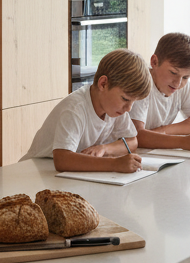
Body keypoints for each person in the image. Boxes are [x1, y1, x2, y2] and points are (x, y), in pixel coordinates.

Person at [22, 48, 151, 172]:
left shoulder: (114, 108)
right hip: (35, 171)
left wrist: (105, 149)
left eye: (133, 102)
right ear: (103, 84)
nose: (128, 108)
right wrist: (114, 164)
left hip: (67, 173)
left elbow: (132, 141)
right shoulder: (75, 108)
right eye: (125, 99)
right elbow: (62, 159)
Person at [130, 32, 190, 151]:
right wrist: (182, 141)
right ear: (154, 62)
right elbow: (136, 136)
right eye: (173, 72)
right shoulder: (141, 83)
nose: (178, 83)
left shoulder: (183, 86)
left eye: (186, 77)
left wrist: (163, 131)